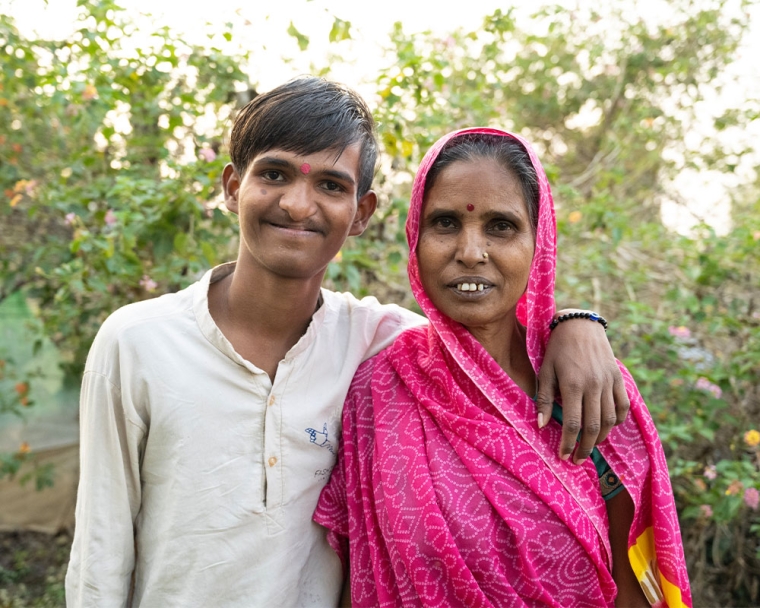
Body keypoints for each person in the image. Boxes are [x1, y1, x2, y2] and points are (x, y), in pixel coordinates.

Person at [66, 79, 631, 607]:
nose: (297, 205)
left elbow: (481, 326)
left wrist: (574, 323)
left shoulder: (377, 344)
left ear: (361, 213)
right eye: (276, 175)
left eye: (330, 186)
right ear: (234, 186)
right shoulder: (137, 342)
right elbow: (101, 549)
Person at [314, 127, 692, 607]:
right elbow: (362, 574)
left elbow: (633, 581)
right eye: (446, 223)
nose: (471, 252)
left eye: (501, 226)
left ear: (540, 242)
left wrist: (577, 321)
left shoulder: (590, 387)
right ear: (416, 235)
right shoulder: (378, 389)